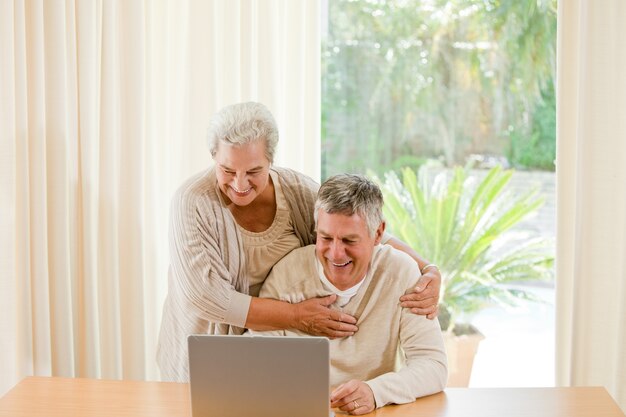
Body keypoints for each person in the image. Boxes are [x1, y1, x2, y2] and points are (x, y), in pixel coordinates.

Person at [156, 102, 442, 382]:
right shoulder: (192, 202)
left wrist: (427, 268)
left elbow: (356, 229)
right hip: (203, 352)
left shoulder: (297, 192)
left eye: (254, 171)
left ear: (271, 160)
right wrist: (294, 316)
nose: (240, 184)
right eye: (228, 170)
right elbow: (210, 298)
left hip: (263, 349)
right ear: (213, 157)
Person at [250, 174, 447, 415]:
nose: (336, 254)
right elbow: (256, 364)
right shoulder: (287, 274)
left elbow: (433, 365)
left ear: (378, 233)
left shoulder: (400, 272)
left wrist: (375, 392)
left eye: (349, 240)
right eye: (325, 238)